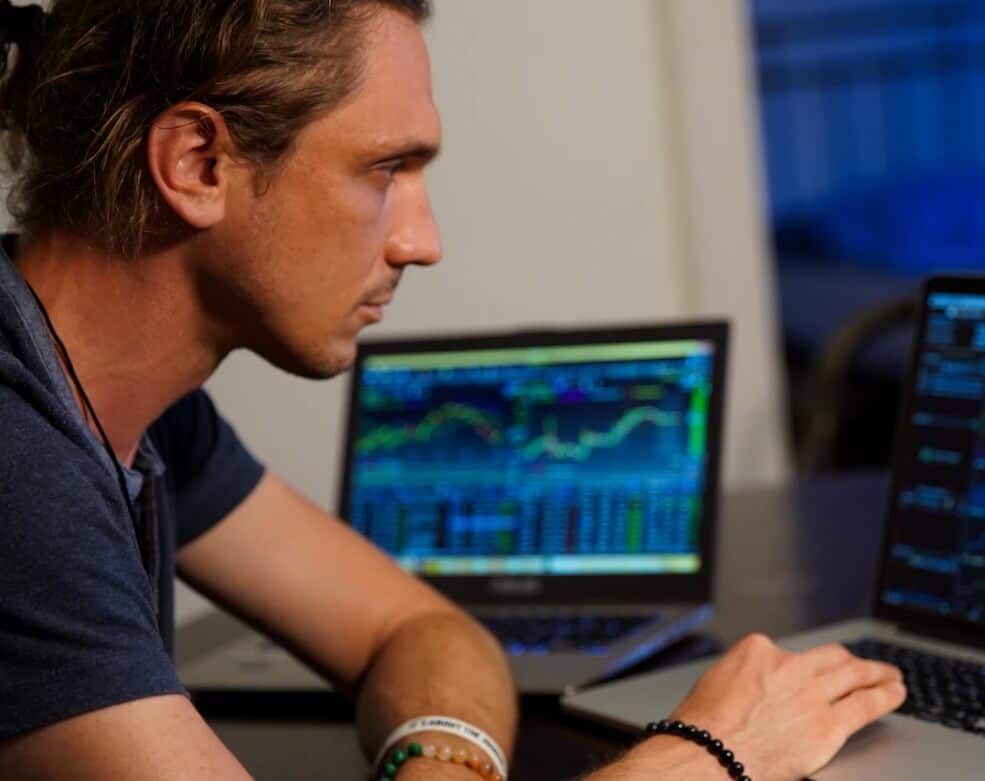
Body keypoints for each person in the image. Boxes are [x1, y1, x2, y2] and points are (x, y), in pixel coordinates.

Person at [0, 2, 906, 779]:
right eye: (385, 170)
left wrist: (439, 762)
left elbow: (423, 632)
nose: (421, 240)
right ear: (198, 162)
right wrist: (707, 754)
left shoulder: (145, 413)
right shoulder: (17, 464)